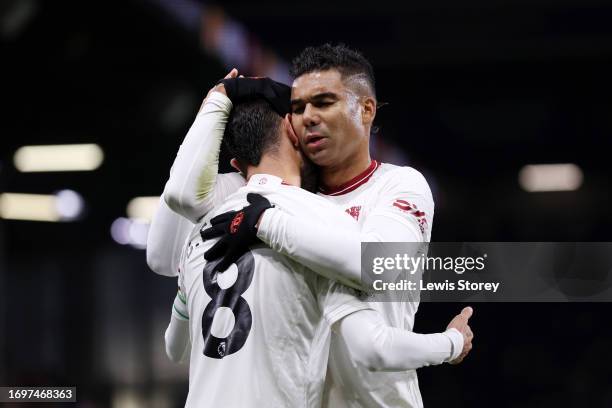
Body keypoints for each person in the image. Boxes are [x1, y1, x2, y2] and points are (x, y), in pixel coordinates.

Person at [149, 44, 475, 407]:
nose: (309, 117)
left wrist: (264, 222)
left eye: (324, 103)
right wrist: (217, 101)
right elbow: (164, 250)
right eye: (298, 108)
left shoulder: (398, 185)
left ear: (365, 108)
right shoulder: (277, 193)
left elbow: (375, 264)